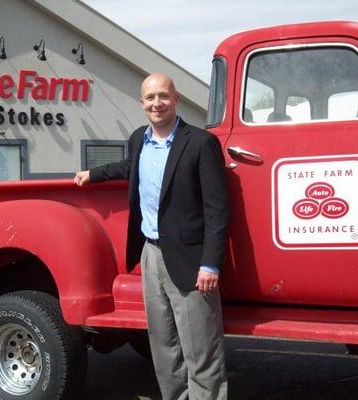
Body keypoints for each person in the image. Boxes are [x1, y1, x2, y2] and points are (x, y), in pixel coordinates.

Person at [74, 72, 230, 400]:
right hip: (151, 254)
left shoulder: (201, 143)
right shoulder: (138, 139)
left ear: (176, 99)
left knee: (201, 351)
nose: (156, 103)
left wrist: (211, 264)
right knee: (164, 347)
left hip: (191, 261)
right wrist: (93, 174)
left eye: (163, 96)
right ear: (142, 103)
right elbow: (130, 167)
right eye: (150, 98)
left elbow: (218, 209)